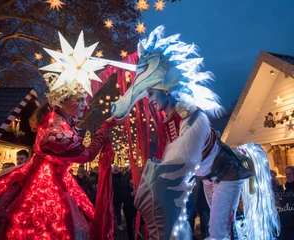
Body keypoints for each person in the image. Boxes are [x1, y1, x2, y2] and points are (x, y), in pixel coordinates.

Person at [112, 26, 279, 240]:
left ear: (166, 90)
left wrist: (154, 187)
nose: (150, 100)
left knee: (218, 232)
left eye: (152, 93)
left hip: (227, 175)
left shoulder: (192, 115)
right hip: (210, 179)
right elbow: (168, 160)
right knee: (215, 228)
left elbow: (181, 161)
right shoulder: (169, 120)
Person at [0, 32, 117, 240]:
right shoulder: (56, 133)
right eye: (79, 100)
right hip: (44, 191)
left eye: (85, 99)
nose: (85, 105)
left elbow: (91, 89)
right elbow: (86, 155)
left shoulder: (59, 119)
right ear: (61, 103)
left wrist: (111, 70)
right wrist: (106, 126)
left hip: (60, 183)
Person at [278, 166, 294, 240]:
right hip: (286, 222)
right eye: (286, 174)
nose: (288, 176)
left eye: (290, 173)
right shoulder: (288, 187)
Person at [121, 173, 137, 240]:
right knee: (129, 223)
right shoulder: (125, 187)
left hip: (135, 207)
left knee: (135, 223)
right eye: (132, 179)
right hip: (128, 207)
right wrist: (130, 194)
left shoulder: (136, 186)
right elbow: (123, 197)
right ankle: (131, 237)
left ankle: (136, 235)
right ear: (129, 180)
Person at [112, 165, 124, 231]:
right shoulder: (111, 177)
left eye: (116, 170)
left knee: (118, 212)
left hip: (119, 197)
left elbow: (122, 185)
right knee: (113, 212)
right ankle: (113, 225)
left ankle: (119, 224)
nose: (116, 172)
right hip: (113, 197)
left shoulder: (120, 176)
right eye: (115, 170)